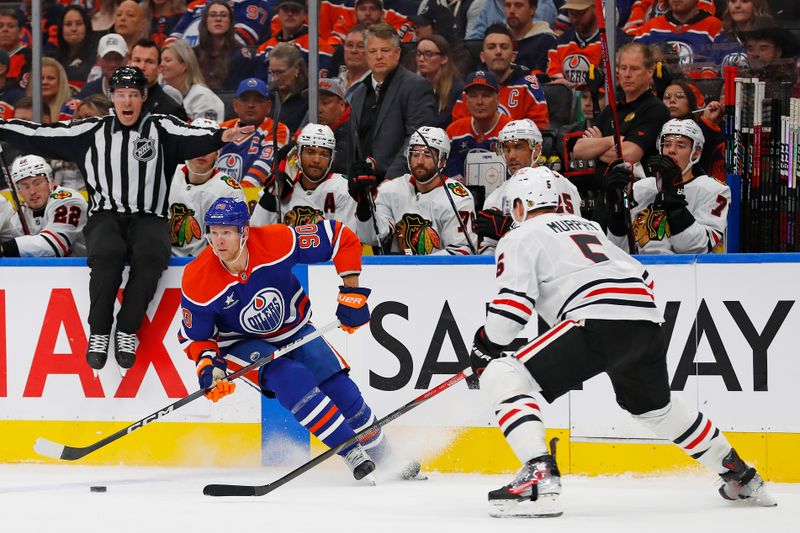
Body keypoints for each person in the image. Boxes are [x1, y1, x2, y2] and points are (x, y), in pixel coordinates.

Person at [467, 168, 775, 518]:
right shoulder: (589, 228)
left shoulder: (519, 236)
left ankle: (538, 475)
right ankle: (739, 474)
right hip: (646, 322)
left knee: (501, 375)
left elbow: (511, 310)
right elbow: (642, 274)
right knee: (656, 410)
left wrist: (485, 347)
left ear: (520, 206)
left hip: (595, 321)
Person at [0, 66, 254, 375]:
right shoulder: (91, 131)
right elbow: (41, 135)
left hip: (150, 217)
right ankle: (99, 332)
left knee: (150, 257)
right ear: (112, 98)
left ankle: (127, 330)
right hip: (106, 214)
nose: (127, 101)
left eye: (133, 94)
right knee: (106, 255)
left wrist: (222, 135)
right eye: (121, 95)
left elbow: (193, 136)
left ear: (144, 97)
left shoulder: (161, 128)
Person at [180, 197, 421, 481]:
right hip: (239, 343)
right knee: (290, 378)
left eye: (227, 232)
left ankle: (386, 457)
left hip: (294, 327)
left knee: (341, 390)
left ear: (244, 231)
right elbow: (196, 337)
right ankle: (350, 451)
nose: (218, 241)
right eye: (214, 231)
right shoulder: (197, 277)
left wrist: (352, 292)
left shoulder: (276, 242)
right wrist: (210, 369)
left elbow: (339, 237)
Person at [605, 119, 729, 254]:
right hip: (641, 270)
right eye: (667, 144)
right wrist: (617, 216)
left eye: (681, 146)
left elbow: (697, 248)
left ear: (696, 152)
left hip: (685, 272)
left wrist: (674, 201)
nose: (671, 151)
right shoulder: (640, 188)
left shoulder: (714, 190)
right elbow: (618, 250)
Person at [572, 43, 670, 213]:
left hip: (638, 204)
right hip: (604, 201)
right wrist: (613, 140)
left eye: (634, 69)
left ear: (649, 72)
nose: (627, 74)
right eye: (623, 68)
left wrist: (597, 146)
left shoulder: (656, 109)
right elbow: (578, 150)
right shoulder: (613, 109)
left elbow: (630, 154)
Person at [352, 126, 478, 255]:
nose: (419, 161)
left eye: (428, 155)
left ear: (442, 161)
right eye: (415, 154)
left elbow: (462, 252)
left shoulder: (458, 198)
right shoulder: (390, 190)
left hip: (441, 274)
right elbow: (371, 237)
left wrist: (417, 265)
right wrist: (363, 206)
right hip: (397, 272)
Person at [477, 119, 582, 254]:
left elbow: (567, 238)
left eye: (518, 147)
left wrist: (510, 228)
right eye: (507, 149)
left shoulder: (558, 183)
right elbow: (488, 249)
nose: (511, 155)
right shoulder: (495, 196)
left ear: (536, 150)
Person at [349, 22, 435, 181]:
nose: (379, 56)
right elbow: (355, 147)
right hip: (364, 187)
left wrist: (392, 180)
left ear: (397, 53)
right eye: (373, 51)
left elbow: (417, 139)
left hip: (402, 184)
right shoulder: (358, 94)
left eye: (385, 50)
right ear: (366, 56)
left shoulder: (416, 86)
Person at [251, 122, 361, 231]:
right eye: (310, 152)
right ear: (298, 154)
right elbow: (257, 228)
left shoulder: (343, 188)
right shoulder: (282, 187)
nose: (316, 160)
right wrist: (277, 188)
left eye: (324, 154)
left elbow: (345, 240)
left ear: (331, 158)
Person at [168, 118, 245, 257]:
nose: (203, 152)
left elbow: (234, 241)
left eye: (209, 145)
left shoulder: (229, 189)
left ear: (217, 152)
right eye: (197, 143)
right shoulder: (166, 174)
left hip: (207, 264)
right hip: (162, 261)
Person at [451, 24, 549, 130]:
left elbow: (539, 127)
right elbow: (458, 127)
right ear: (482, 57)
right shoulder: (471, 86)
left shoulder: (528, 85)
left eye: (504, 47)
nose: (498, 52)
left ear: (513, 56)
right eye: (491, 47)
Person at [0, 155, 87, 257]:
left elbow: (54, 245)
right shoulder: (18, 219)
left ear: (50, 181)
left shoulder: (69, 200)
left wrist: (3, 249)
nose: (32, 191)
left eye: (37, 183)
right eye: (25, 186)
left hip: (86, 269)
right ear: (19, 191)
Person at [218, 77, 291, 187]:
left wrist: (238, 193)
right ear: (235, 105)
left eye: (258, 100)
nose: (251, 105)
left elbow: (265, 165)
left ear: (268, 106)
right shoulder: (221, 129)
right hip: (216, 194)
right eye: (245, 99)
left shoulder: (277, 129)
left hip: (254, 197)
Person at [445, 70, 511, 182]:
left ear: (498, 99)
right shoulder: (454, 132)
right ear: (466, 100)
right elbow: (451, 176)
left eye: (486, 96)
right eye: (473, 96)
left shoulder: (511, 130)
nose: (479, 102)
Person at [254, 0, 335, 79]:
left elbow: (319, 88)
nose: (290, 14)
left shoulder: (319, 48)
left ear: (305, 14)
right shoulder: (263, 49)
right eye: (286, 9)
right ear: (278, 13)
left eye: (295, 10)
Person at [193, 0, 255, 92]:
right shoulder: (194, 54)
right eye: (213, 15)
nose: (218, 19)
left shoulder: (240, 55)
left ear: (230, 22)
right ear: (205, 21)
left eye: (223, 15)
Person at [160, 38, 224, 121]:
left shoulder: (203, 97)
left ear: (184, 65)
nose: (161, 64)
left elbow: (208, 132)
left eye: (167, 60)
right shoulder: (161, 95)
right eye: (161, 60)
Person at [547, 0, 603, 88]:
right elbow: (554, 80)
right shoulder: (560, 43)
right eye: (571, 13)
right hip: (565, 99)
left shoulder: (610, 42)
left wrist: (572, 86)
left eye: (580, 13)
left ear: (595, 9)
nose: (575, 19)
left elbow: (604, 82)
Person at [129, 38, 188, 120]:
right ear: (129, 64)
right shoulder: (117, 103)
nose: (142, 67)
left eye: (149, 62)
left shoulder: (172, 110)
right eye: (137, 60)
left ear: (159, 68)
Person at [415, 35, 463, 130]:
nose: (421, 59)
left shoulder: (457, 90)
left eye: (428, 54)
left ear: (444, 59)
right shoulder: (413, 87)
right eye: (418, 54)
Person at [49, 5, 98, 92]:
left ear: (86, 27)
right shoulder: (53, 58)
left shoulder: (97, 57)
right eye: (68, 24)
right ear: (61, 29)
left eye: (79, 24)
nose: (74, 29)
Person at [328, 0, 415, 47]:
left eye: (373, 9)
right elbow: (334, 42)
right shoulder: (348, 27)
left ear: (382, 14)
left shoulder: (391, 36)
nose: (368, 13)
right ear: (355, 14)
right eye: (362, 9)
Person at [266, 43, 309, 134]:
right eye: (273, 72)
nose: (276, 78)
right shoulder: (269, 95)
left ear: (297, 68)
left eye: (280, 72)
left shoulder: (309, 97)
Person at [504, 0, 556, 73]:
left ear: (532, 9)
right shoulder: (496, 39)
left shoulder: (547, 41)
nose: (511, 11)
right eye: (508, 5)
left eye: (518, 5)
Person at [315, 77, 352, 176]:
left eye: (325, 102)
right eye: (314, 103)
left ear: (342, 105)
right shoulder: (312, 128)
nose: (318, 109)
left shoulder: (352, 130)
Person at [76, 33, 129, 99]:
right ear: (98, 60)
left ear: (127, 59)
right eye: (108, 59)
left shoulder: (138, 90)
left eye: (118, 58)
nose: (113, 64)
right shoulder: (88, 92)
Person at [338, 24, 371, 101]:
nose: (354, 50)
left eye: (360, 46)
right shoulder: (334, 82)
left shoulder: (377, 86)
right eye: (349, 45)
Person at [0, 9, 30, 86]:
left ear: (20, 32)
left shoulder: (31, 57)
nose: (5, 29)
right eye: (0, 26)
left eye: (11, 26)